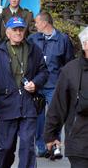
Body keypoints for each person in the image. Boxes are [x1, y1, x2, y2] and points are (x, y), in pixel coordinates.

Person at [0, 17, 48, 168]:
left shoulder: (34, 49)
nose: (18, 33)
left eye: (21, 30)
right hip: (6, 105)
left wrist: (35, 83)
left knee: (27, 146)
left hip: (29, 104)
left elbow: (44, 71)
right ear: (8, 32)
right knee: (6, 147)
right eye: (15, 30)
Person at [28, 11, 75, 157]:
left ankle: (55, 146)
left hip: (55, 84)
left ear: (44, 23)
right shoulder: (32, 39)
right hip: (37, 84)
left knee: (55, 116)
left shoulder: (63, 40)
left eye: (37, 22)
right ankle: (41, 147)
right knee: (38, 117)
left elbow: (69, 63)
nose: (35, 25)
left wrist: (67, 84)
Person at [44, 27, 88, 167]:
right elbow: (58, 105)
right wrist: (51, 136)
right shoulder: (70, 70)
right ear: (85, 45)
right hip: (79, 144)